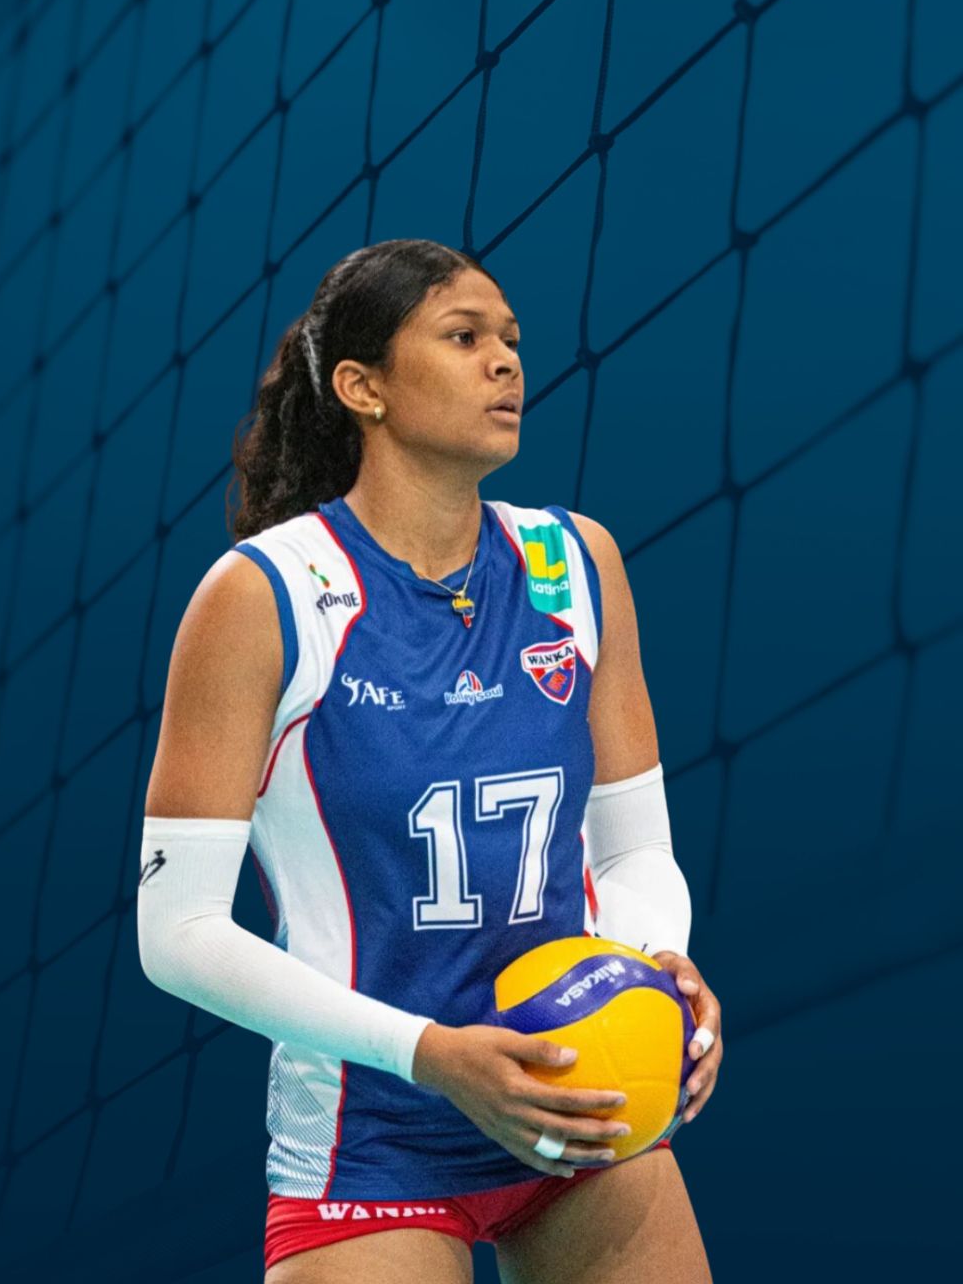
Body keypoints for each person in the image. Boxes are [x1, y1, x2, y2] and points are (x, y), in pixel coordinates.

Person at [138, 239, 721, 1282]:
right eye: (463, 337)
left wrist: (652, 969)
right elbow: (175, 933)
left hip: (580, 1097)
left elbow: (635, 855)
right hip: (372, 1140)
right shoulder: (265, 596)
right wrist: (435, 1057)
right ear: (362, 388)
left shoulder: (573, 562)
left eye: (511, 340)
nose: (506, 362)